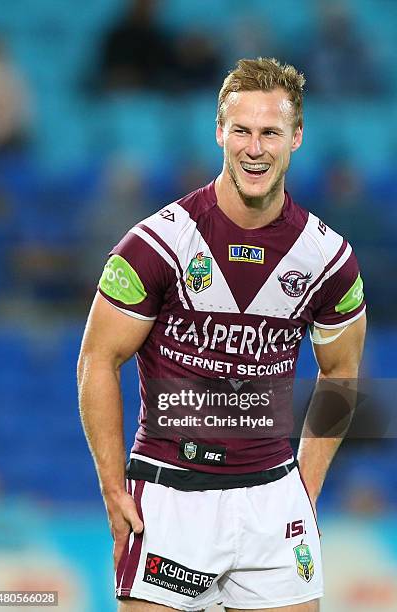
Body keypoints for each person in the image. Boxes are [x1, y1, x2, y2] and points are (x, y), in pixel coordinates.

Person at [78, 58, 366, 611]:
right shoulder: (155, 245)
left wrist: (305, 489)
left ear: (296, 138)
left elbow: (342, 373)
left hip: (273, 498)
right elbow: (96, 359)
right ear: (219, 132)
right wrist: (113, 487)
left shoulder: (330, 260)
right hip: (170, 494)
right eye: (242, 130)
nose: (254, 148)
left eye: (270, 133)